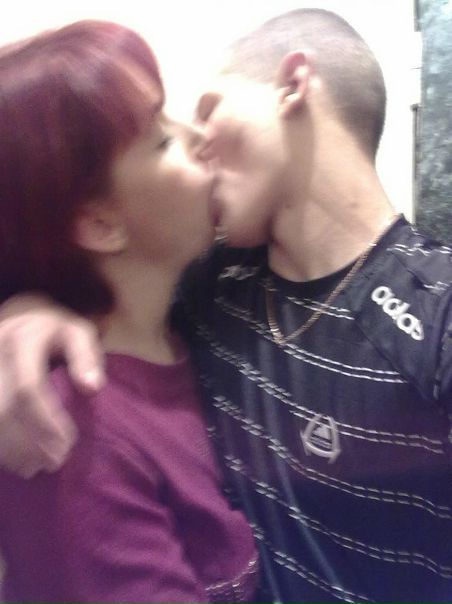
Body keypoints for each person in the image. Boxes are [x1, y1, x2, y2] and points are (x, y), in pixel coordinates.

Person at [1, 7, 452, 604]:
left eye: (208, 110)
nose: (200, 141)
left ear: (293, 85)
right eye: (165, 136)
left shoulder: (434, 308)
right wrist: (24, 310)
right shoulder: (206, 287)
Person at [0, 20, 258, 604]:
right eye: (162, 138)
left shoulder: (200, 319)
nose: (201, 136)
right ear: (98, 223)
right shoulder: (68, 433)